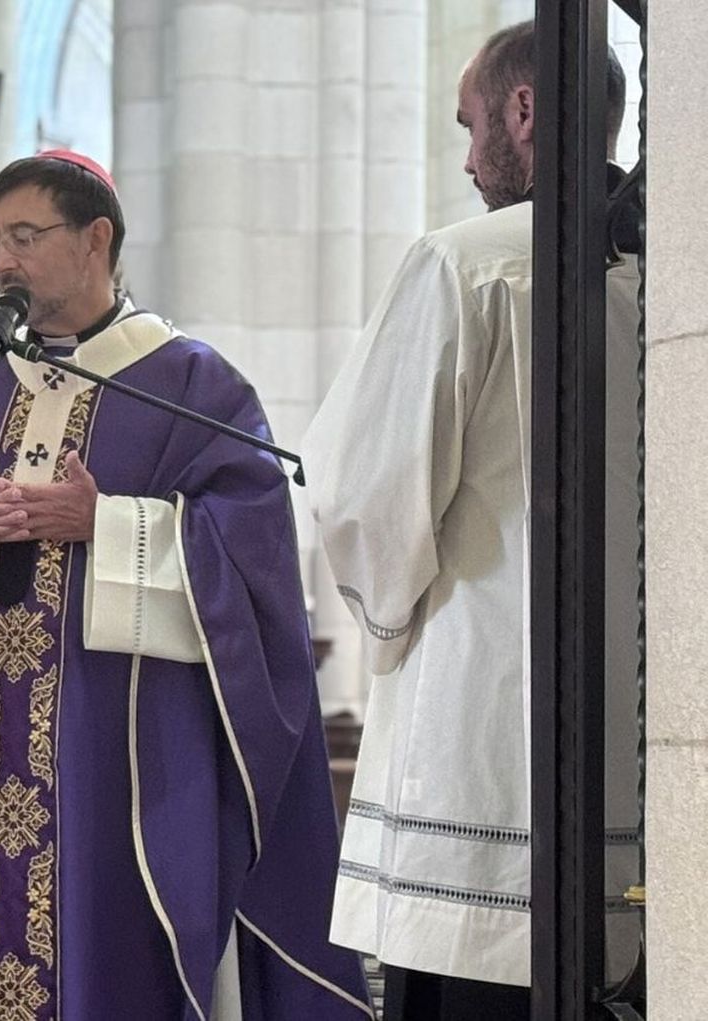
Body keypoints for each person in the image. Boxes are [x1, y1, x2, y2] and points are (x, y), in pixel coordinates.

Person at [0, 150, 371, 1019]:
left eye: (24, 236)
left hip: (120, 768)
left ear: (96, 239)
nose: (2, 261)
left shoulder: (193, 384)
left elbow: (254, 550)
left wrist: (111, 525)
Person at [302, 22, 642, 1019]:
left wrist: (390, 623)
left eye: (469, 123)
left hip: (480, 772)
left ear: (523, 111)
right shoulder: (668, 269)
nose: (462, 155)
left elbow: (367, 495)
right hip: (643, 795)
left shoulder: (464, 262)